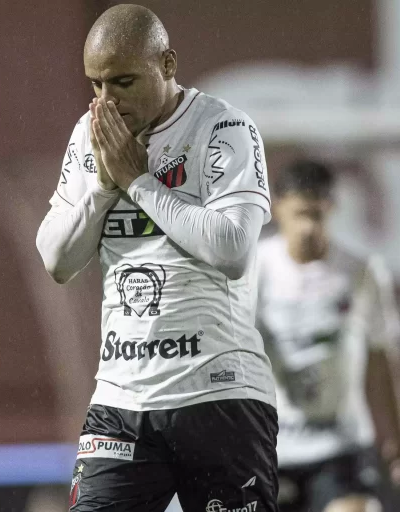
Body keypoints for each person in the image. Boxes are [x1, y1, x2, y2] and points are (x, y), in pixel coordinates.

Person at [36, 4, 278, 511]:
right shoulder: (90, 136)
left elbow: (231, 249)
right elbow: (57, 260)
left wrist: (139, 184)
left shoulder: (223, 129)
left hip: (219, 392)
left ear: (167, 65)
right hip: (121, 400)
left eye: (122, 82)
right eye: (96, 85)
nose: (107, 101)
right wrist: (104, 187)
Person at [256, 160, 400, 512]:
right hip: (271, 447)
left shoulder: (361, 273)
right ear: (278, 207)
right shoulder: (254, 270)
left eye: (318, 215)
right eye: (300, 214)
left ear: (332, 208)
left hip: (340, 447)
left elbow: (380, 359)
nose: (309, 227)